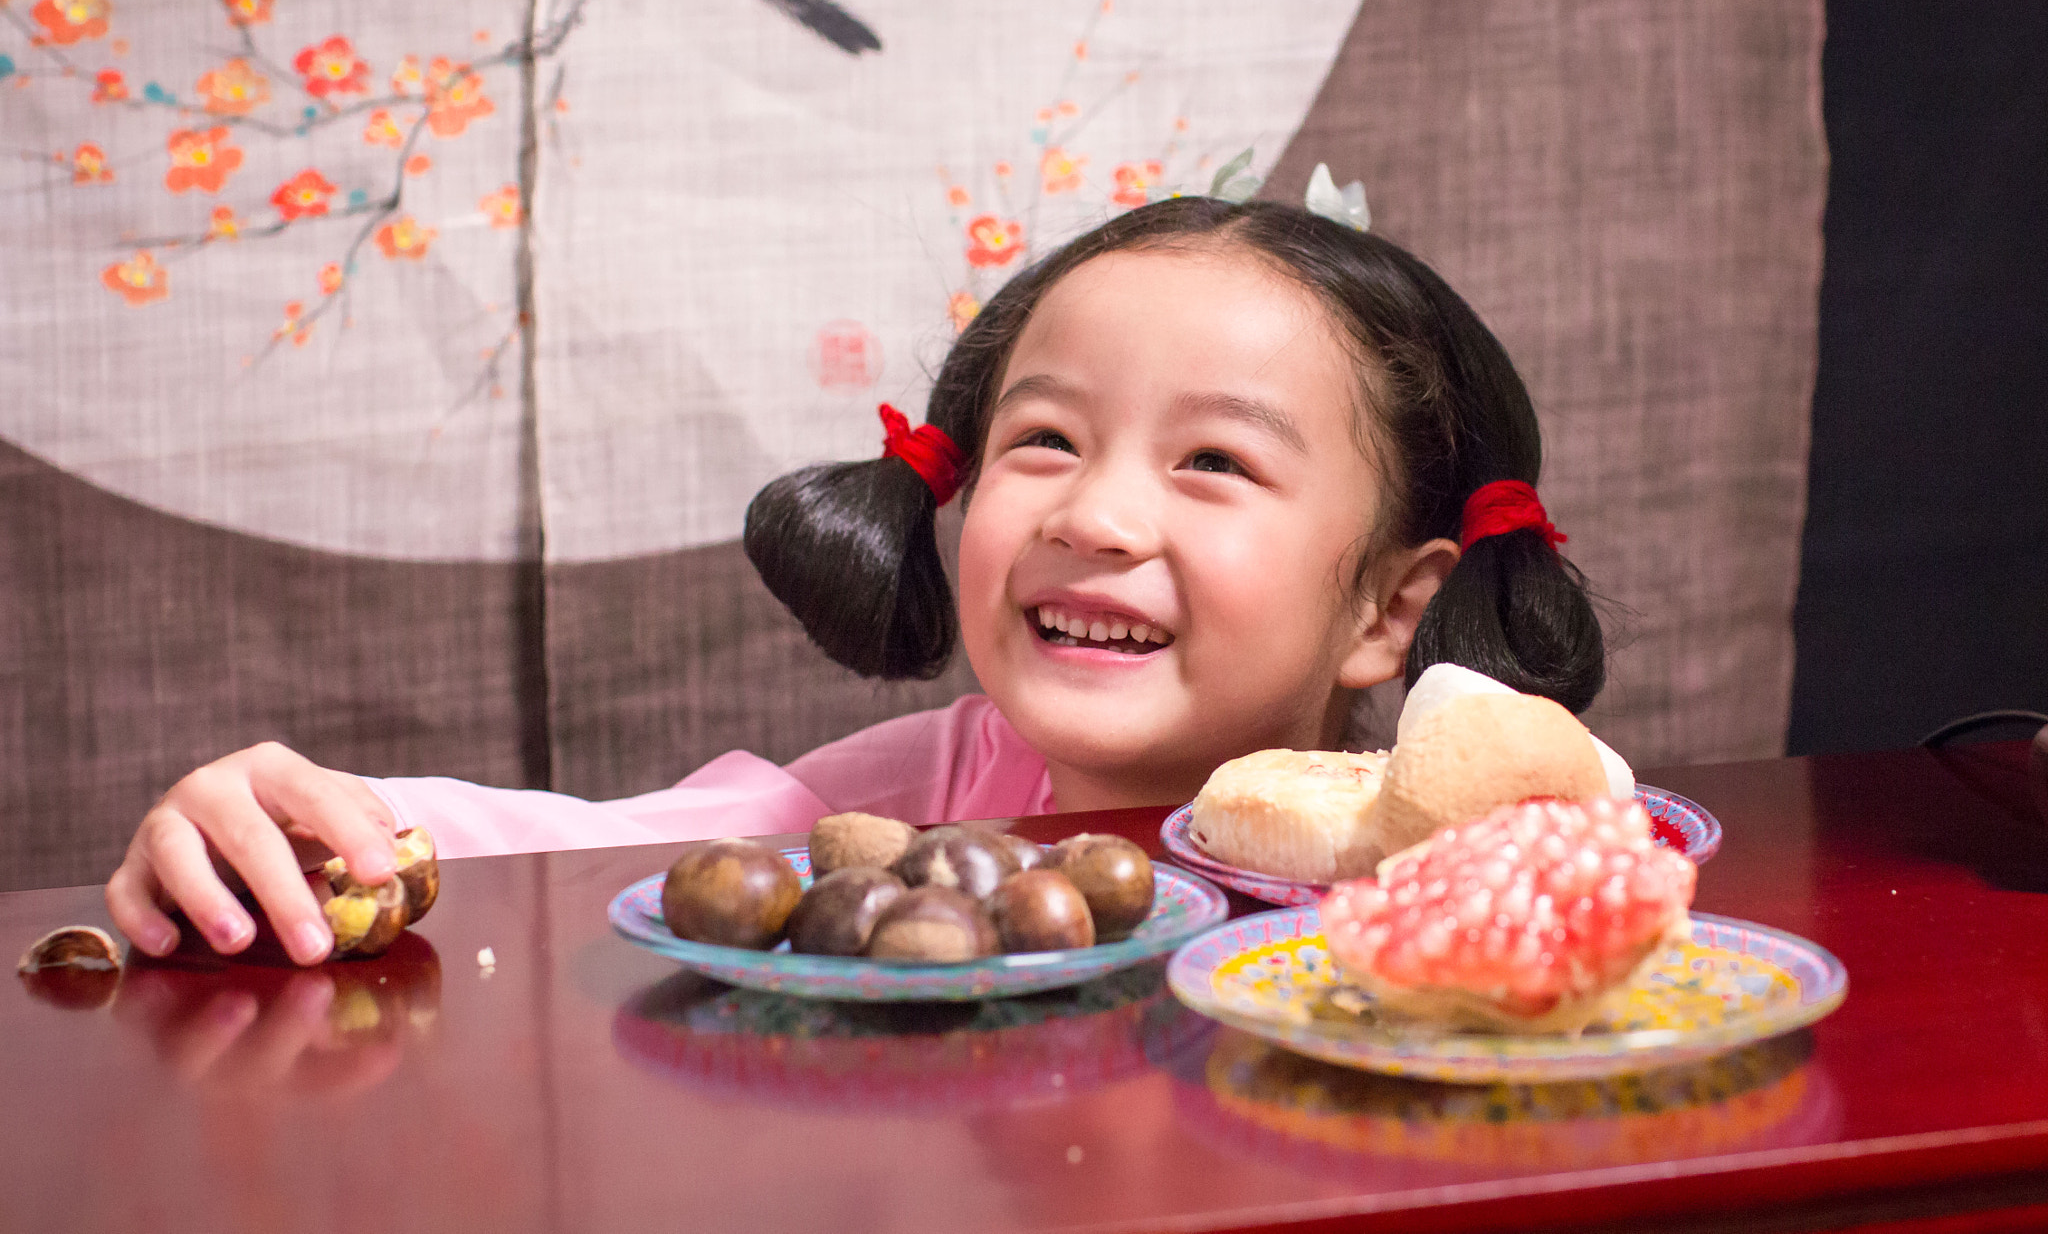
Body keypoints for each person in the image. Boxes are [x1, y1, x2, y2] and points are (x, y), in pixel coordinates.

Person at [105, 189, 1605, 966]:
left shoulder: (1471, 856)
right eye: (1047, 438)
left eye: (1211, 461)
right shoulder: (897, 810)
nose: (1092, 510)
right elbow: (587, 848)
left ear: (1389, 607)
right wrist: (293, 825)